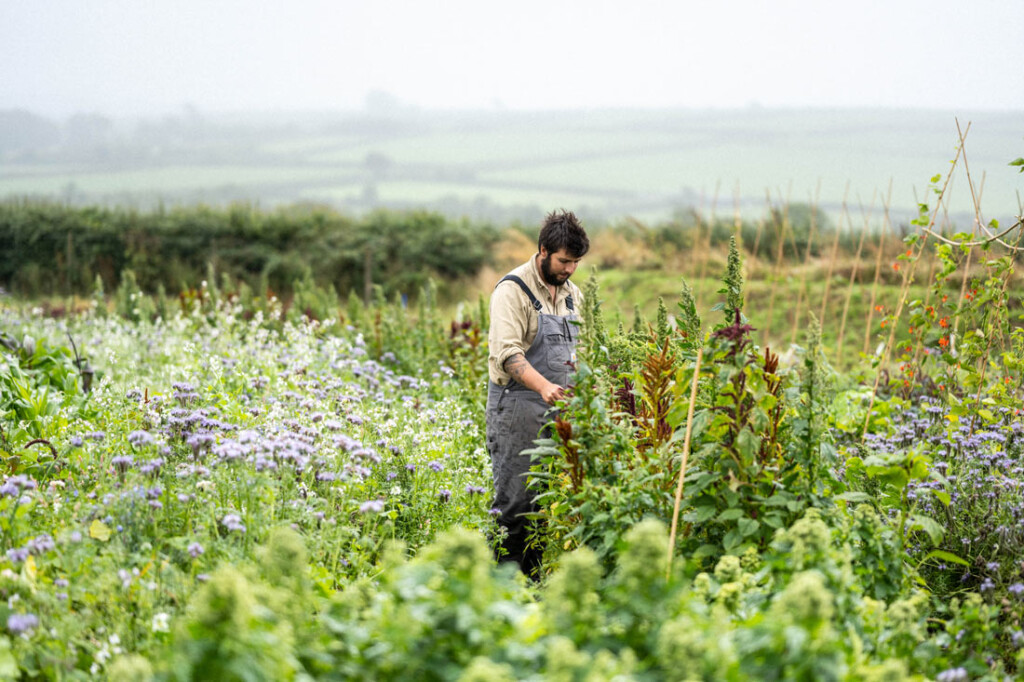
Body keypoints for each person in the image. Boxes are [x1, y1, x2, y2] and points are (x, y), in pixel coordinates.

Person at [485, 209, 589, 578]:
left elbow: (580, 354)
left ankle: (534, 585)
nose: (570, 269)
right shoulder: (513, 290)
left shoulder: (573, 295)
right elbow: (507, 354)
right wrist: (544, 386)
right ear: (543, 250)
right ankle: (501, 590)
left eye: (576, 262)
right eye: (564, 261)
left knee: (549, 501)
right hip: (518, 408)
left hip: (559, 408)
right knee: (516, 503)